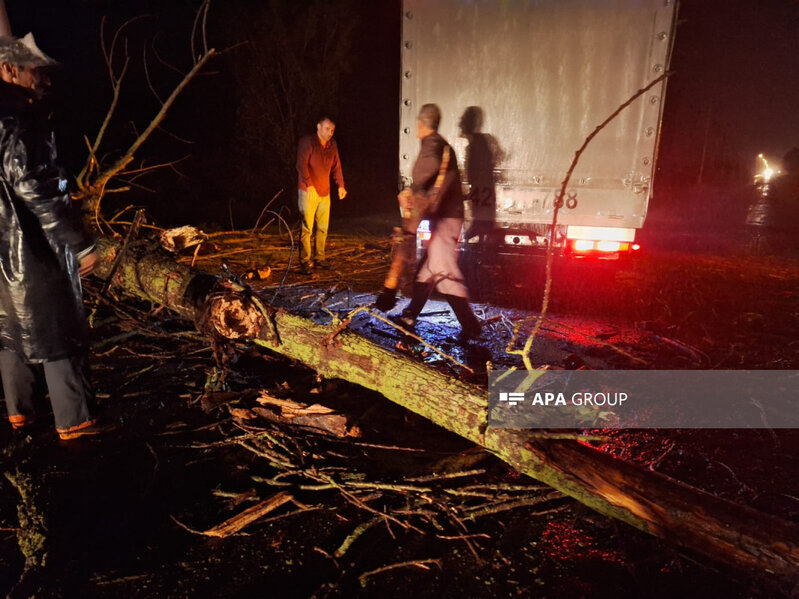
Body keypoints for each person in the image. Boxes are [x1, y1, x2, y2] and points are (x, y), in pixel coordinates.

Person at [0, 34, 103, 441]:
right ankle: (78, 428)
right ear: (9, 70)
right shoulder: (18, 119)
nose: (43, 78)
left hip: (2, 259)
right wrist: (77, 240)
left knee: (10, 334)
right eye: (34, 69)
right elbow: (34, 184)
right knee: (58, 335)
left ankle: (21, 421)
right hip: (33, 255)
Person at [376, 103, 481, 339]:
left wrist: (414, 190)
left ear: (420, 124)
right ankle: (410, 314)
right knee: (429, 269)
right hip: (446, 217)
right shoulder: (444, 146)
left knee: (444, 272)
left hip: (446, 219)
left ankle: (471, 326)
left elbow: (428, 171)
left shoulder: (433, 144)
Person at [295, 115, 346, 275]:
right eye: (327, 129)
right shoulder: (308, 142)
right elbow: (301, 164)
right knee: (307, 228)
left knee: (323, 227)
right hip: (308, 191)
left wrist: (341, 185)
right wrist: (309, 184)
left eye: (332, 130)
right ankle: (304, 261)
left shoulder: (332, 145)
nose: (330, 132)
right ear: (318, 127)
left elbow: (337, 166)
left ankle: (319, 258)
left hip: (325, 192)